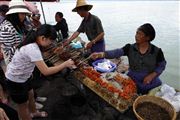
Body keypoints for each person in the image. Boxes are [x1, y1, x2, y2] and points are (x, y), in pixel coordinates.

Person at [5, 24, 75, 120]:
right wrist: (65, 64)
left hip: (24, 76)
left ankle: (34, 112)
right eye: (51, 41)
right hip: (15, 80)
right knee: (23, 106)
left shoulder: (34, 41)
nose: (51, 43)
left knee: (31, 94)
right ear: (43, 38)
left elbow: (39, 56)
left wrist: (53, 52)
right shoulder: (32, 48)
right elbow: (45, 71)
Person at [91, 23, 167, 94]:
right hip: (133, 79)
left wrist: (152, 75)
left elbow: (162, 65)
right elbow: (116, 52)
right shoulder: (130, 48)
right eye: (136, 33)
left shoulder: (156, 51)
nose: (136, 36)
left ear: (148, 37)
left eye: (140, 34)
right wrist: (101, 54)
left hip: (149, 82)